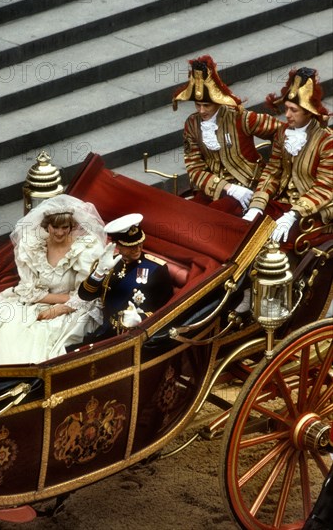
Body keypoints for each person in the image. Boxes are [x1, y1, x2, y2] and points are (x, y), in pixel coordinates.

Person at [0, 194, 107, 364]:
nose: (60, 232)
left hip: (72, 310)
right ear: (46, 225)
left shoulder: (85, 248)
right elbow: (29, 290)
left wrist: (57, 309)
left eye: (65, 227)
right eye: (54, 227)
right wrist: (49, 302)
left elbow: (86, 296)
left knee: (35, 342)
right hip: (32, 302)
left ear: (73, 226)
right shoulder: (33, 244)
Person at [172, 55, 282, 216]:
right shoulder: (192, 124)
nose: (201, 111)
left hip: (247, 188)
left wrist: (276, 166)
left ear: (218, 101)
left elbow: (282, 132)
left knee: (214, 217)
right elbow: (194, 167)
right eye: (198, 105)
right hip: (215, 189)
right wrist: (227, 187)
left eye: (206, 105)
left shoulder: (240, 118)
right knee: (186, 213)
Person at [244, 67, 333, 249]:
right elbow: (273, 172)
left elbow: (324, 187)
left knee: (277, 244)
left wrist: (294, 213)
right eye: (286, 109)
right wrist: (258, 204)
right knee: (246, 228)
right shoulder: (282, 132)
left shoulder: (327, 141)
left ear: (309, 112)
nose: (287, 115)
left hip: (312, 211)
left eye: (294, 110)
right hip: (281, 202)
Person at [77, 213, 173, 339]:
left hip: (136, 335)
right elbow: (85, 295)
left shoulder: (157, 269)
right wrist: (99, 272)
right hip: (105, 330)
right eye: (130, 246)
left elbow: (166, 309)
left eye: (140, 243)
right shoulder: (108, 263)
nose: (137, 249)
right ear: (117, 246)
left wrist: (140, 318)